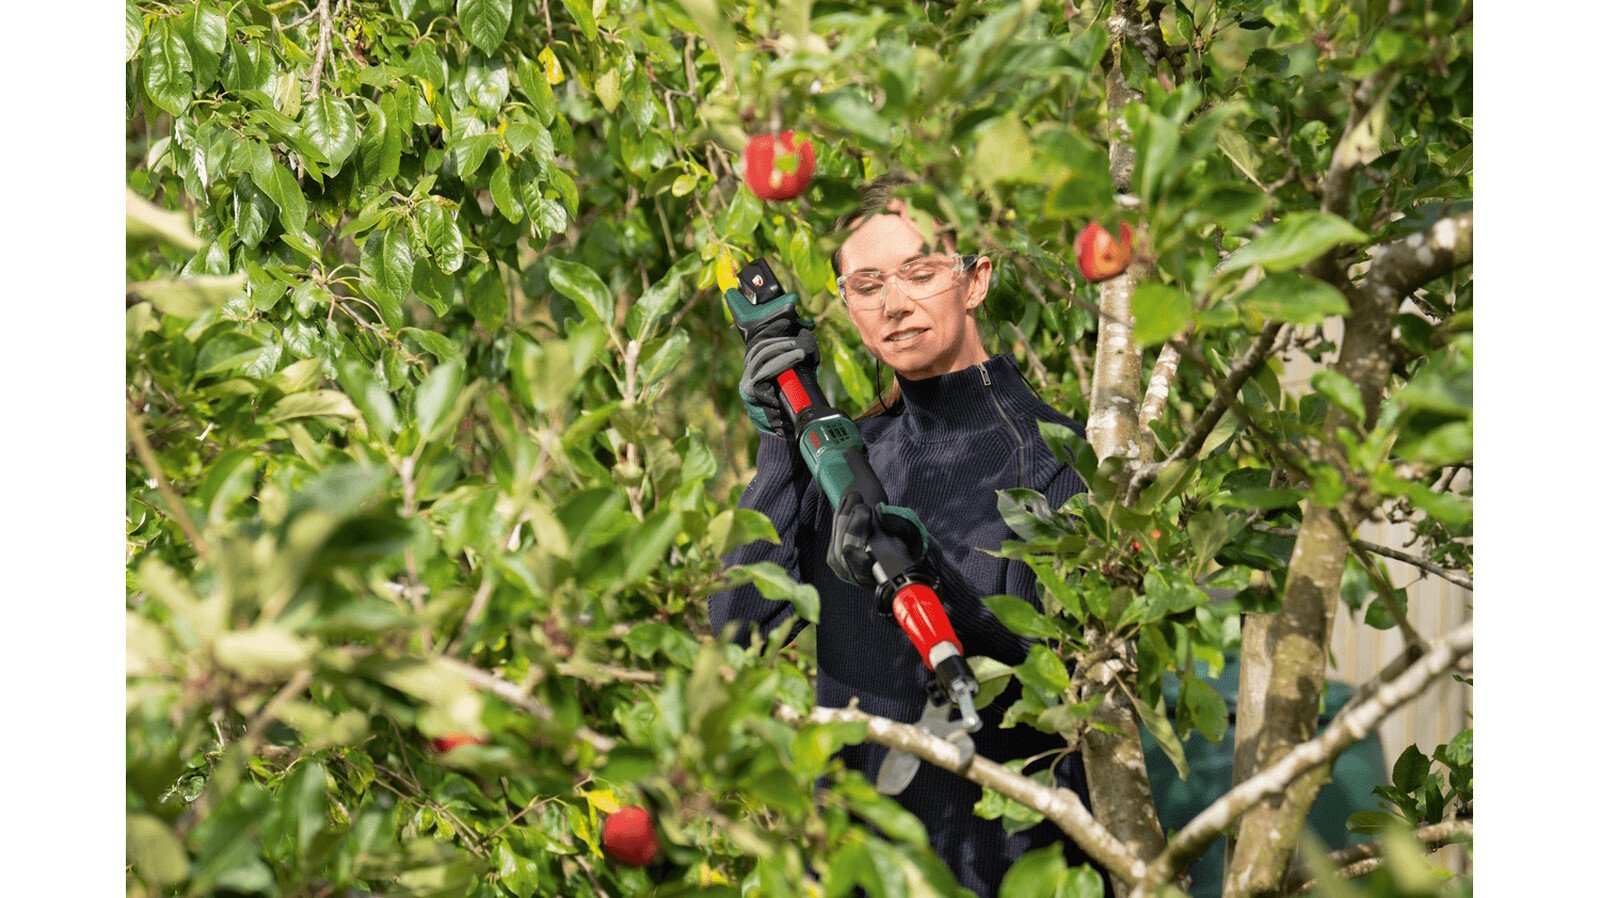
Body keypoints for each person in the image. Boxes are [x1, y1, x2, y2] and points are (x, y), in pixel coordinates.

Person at [710, 176, 1098, 896]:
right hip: (858, 868)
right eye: (867, 285)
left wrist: (929, 575)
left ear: (975, 280)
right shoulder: (844, 461)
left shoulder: (1052, 457)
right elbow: (738, 627)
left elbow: (1058, 674)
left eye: (920, 272)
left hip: (1008, 868)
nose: (893, 303)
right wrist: (781, 444)